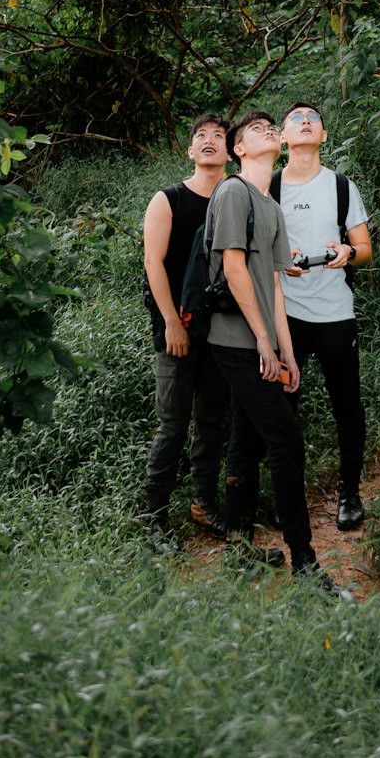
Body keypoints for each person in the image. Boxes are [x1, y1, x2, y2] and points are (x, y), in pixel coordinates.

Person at [207, 110, 340, 591]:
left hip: (262, 343)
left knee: (247, 441)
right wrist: (263, 340)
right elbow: (235, 268)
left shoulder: (269, 205)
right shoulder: (233, 192)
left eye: (270, 129)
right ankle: (304, 560)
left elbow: (277, 286)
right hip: (235, 341)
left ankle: (239, 547)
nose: (268, 132)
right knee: (286, 441)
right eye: (256, 131)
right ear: (239, 149)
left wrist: (286, 351)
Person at [273, 100, 372, 531]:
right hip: (286, 316)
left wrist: (349, 252)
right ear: (282, 138)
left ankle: (349, 494)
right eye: (296, 118)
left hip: (335, 313)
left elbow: (365, 249)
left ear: (324, 136)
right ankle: (285, 497)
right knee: (282, 410)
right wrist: (281, 260)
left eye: (313, 118)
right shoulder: (269, 188)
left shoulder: (342, 187)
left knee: (346, 407)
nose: (306, 122)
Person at [142, 113, 231, 553]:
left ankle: (203, 504)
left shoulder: (236, 199)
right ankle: (155, 519)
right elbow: (153, 264)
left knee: (211, 423)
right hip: (177, 331)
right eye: (202, 136)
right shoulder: (169, 199)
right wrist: (171, 323)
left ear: (230, 150)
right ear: (191, 150)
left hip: (222, 333)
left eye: (219, 136)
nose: (210, 141)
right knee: (173, 426)